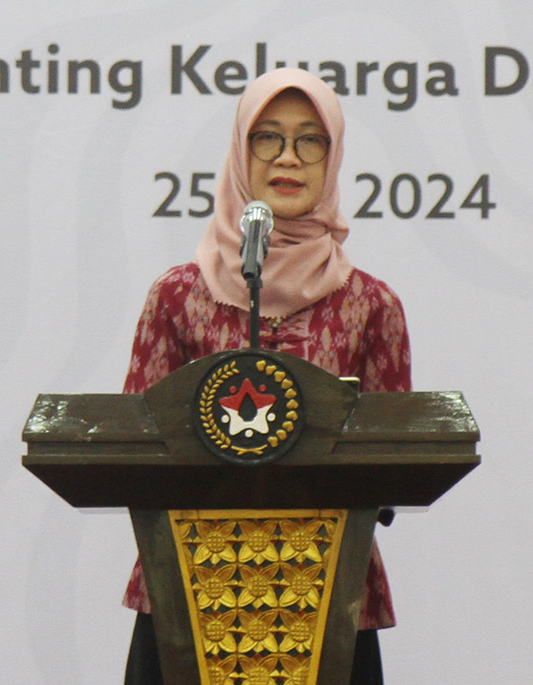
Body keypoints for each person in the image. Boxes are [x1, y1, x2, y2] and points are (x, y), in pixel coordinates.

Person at [121, 68, 410, 685]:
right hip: (187, 585)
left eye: (311, 140)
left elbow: (396, 455)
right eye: (267, 137)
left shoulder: (371, 306)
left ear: (333, 160)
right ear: (239, 152)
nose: (287, 157)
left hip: (330, 587)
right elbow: (134, 443)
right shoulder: (177, 297)